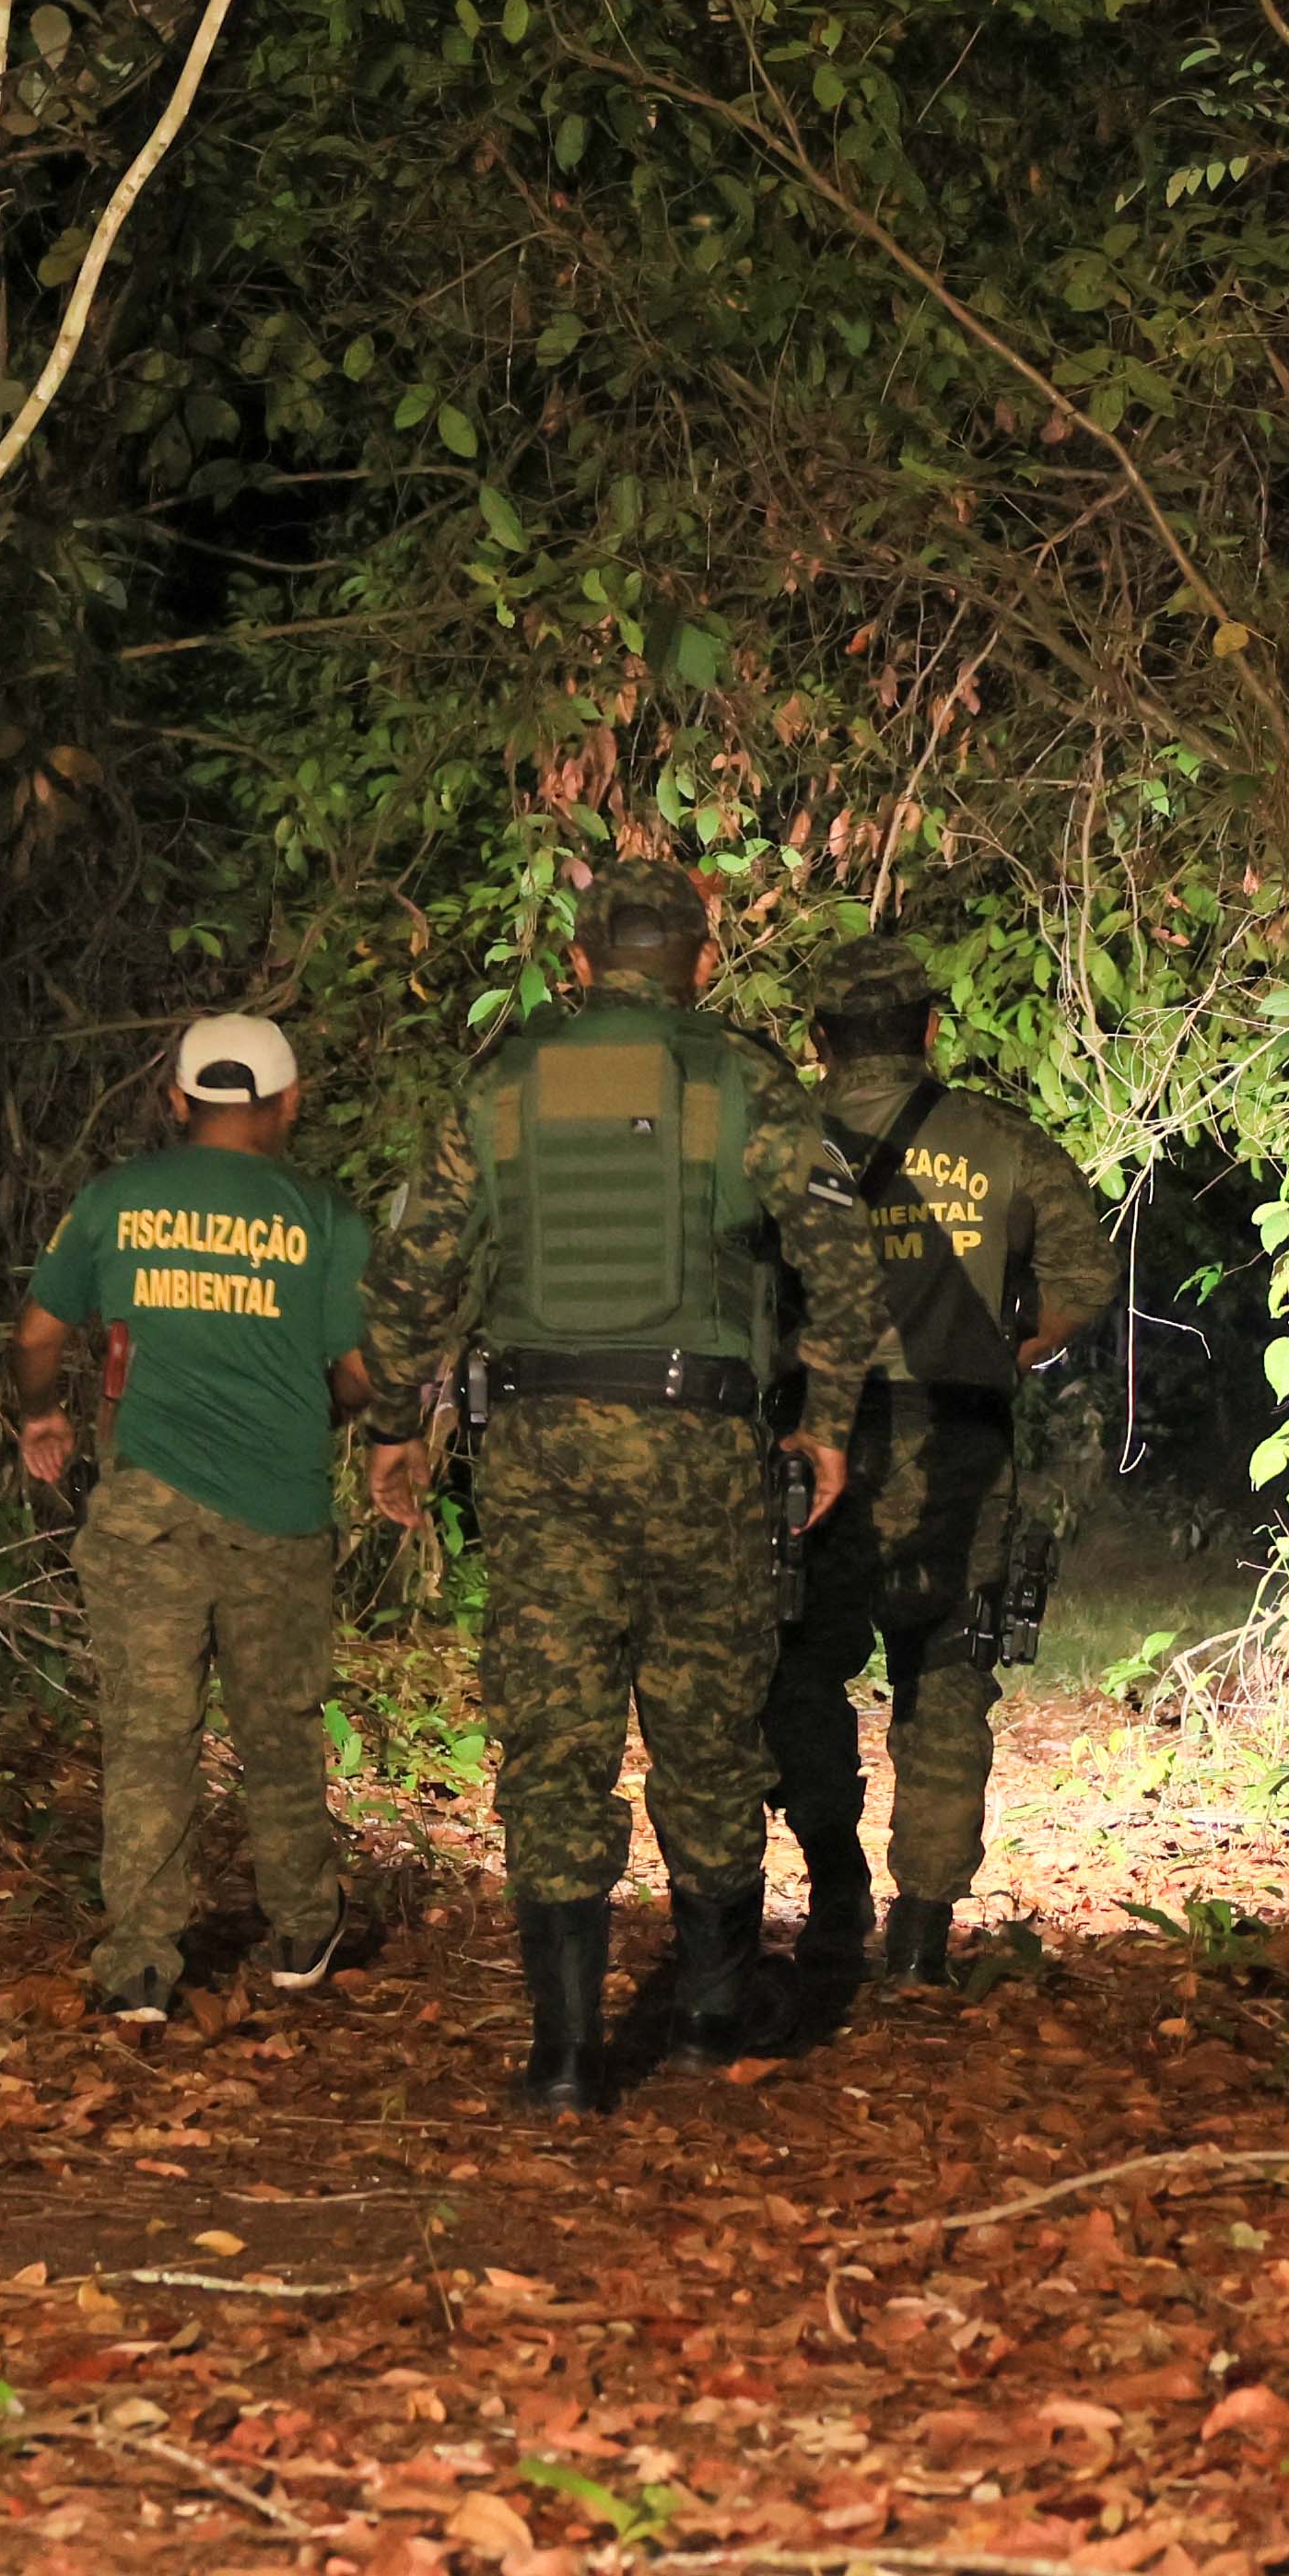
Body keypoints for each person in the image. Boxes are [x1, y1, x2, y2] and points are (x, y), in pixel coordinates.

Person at [370, 861, 870, 2112]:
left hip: (539, 1445)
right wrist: (827, 1423)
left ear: (580, 961)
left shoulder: (504, 1084)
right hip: (699, 1439)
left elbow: (418, 1266)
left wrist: (395, 1423)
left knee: (556, 1734)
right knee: (707, 1721)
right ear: (699, 962)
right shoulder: (741, 1079)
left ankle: (567, 2052)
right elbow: (841, 1259)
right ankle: (706, 2014)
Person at [767, 936, 1117, 2006]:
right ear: (928, 1029)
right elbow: (1084, 1276)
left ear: (817, 1041)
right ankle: (918, 1931)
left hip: (802, 1447)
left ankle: (832, 1892)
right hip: (956, 1438)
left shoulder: (777, 1144)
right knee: (945, 1673)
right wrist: (1006, 1349)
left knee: (792, 1668)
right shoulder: (1000, 1141)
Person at [14, 1013, 383, 2021]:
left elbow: (40, 1331)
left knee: (147, 1733)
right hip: (278, 1509)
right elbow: (355, 1371)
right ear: (288, 1102)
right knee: (279, 1727)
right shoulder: (321, 1216)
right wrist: (355, 1409)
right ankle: (302, 1928)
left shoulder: (114, 1199)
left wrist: (40, 1412)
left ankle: (140, 1962)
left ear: (175, 1102)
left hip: (144, 1512)